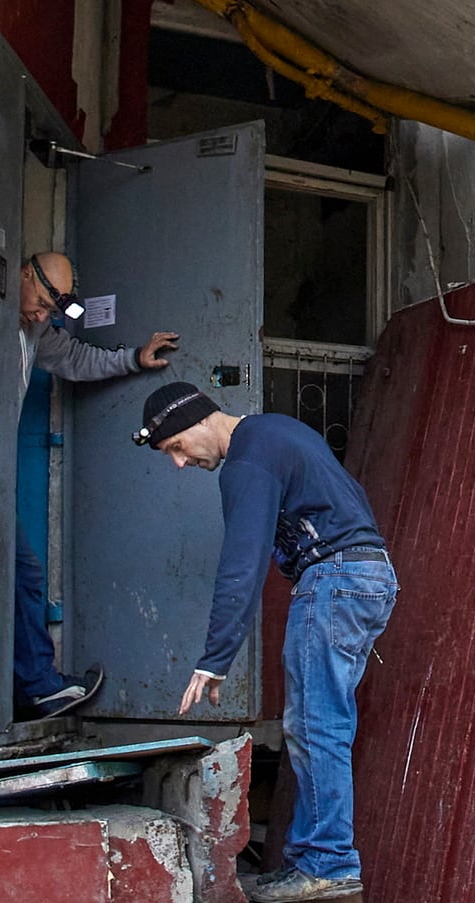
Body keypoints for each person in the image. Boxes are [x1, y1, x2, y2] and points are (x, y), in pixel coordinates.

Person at [139, 381, 395, 903]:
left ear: (192, 422)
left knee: (316, 725)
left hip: (335, 580)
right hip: (367, 576)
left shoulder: (246, 461)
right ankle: (312, 860)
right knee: (318, 723)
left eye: (175, 449)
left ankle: (328, 862)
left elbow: (242, 564)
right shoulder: (276, 431)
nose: (180, 464)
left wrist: (214, 659)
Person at [14, 251, 178, 719]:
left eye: (51, 310)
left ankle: (39, 687)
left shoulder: (34, 329)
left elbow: (73, 358)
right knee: (17, 573)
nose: (42, 315)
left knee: (19, 573)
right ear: (26, 274)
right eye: (42, 303)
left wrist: (134, 359)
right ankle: (38, 687)